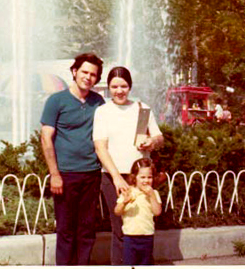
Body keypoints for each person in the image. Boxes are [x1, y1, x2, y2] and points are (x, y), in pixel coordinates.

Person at [93, 66, 163, 265]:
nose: (119, 91)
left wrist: (152, 142)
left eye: (123, 86)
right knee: (121, 228)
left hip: (139, 176)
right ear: (108, 88)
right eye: (114, 86)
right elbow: (100, 147)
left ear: (130, 86)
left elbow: (159, 137)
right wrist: (116, 178)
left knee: (141, 224)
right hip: (112, 176)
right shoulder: (103, 112)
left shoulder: (142, 108)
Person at [40, 53, 105, 265]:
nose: (88, 77)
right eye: (84, 72)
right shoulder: (56, 100)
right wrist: (54, 174)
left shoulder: (98, 101)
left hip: (91, 174)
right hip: (65, 175)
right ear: (75, 72)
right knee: (66, 230)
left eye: (93, 74)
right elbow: (46, 138)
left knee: (86, 230)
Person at [114, 158, 162, 265]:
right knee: (129, 263)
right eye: (142, 177)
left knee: (145, 263)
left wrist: (152, 196)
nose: (146, 180)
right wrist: (124, 202)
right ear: (134, 177)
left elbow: (157, 212)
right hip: (130, 237)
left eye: (149, 177)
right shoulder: (128, 191)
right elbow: (117, 211)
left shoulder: (154, 193)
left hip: (147, 236)